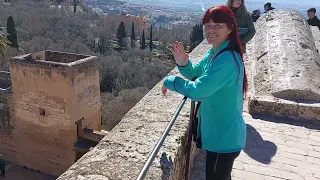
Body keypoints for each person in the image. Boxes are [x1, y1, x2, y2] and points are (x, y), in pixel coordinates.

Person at [162, 5, 247, 180]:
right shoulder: (216, 51)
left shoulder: (226, 60)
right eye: (207, 25)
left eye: (218, 25)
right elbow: (196, 73)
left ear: (230, 28)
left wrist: (170, 81)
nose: (211, 30)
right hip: (221, 135)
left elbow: (198, 91)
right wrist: (183, 63)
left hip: (223, 140)